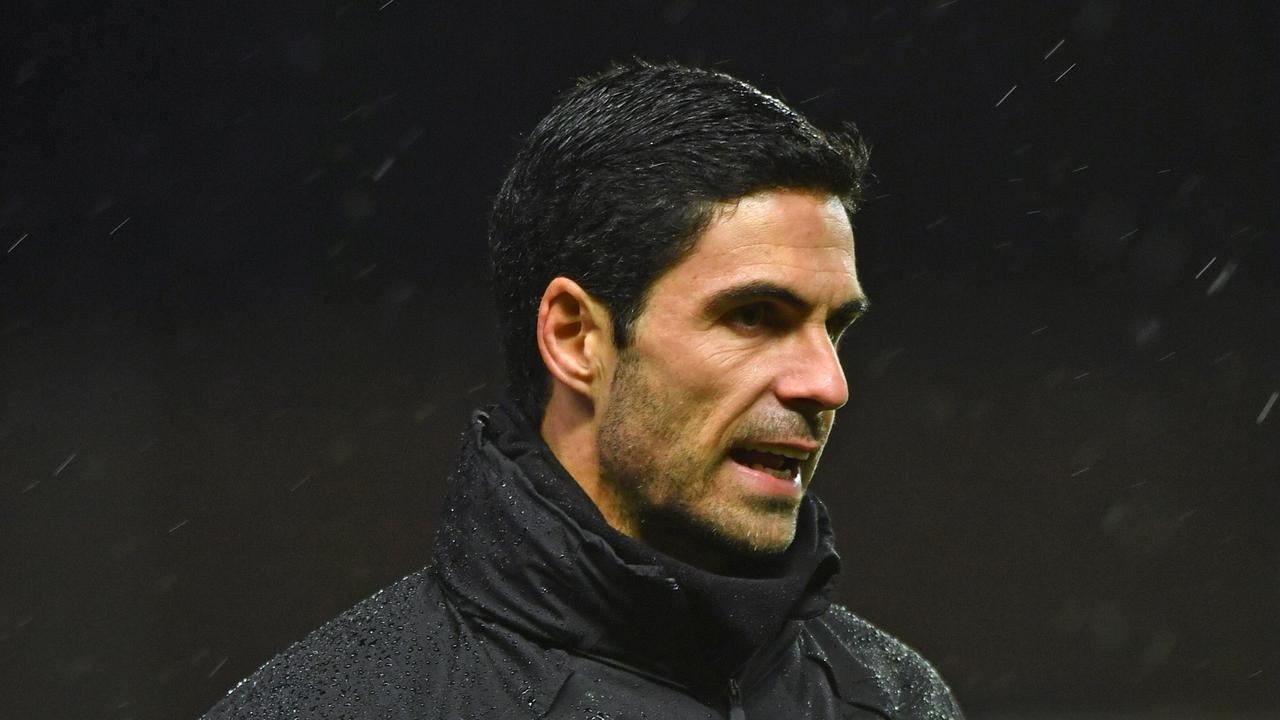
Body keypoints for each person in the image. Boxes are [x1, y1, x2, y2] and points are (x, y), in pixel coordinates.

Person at [203, 60, 964, 719]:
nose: (827, 384)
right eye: (754, 316)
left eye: (835, 328)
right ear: (575, 338)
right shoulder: (338, 705)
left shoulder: (897, 699)